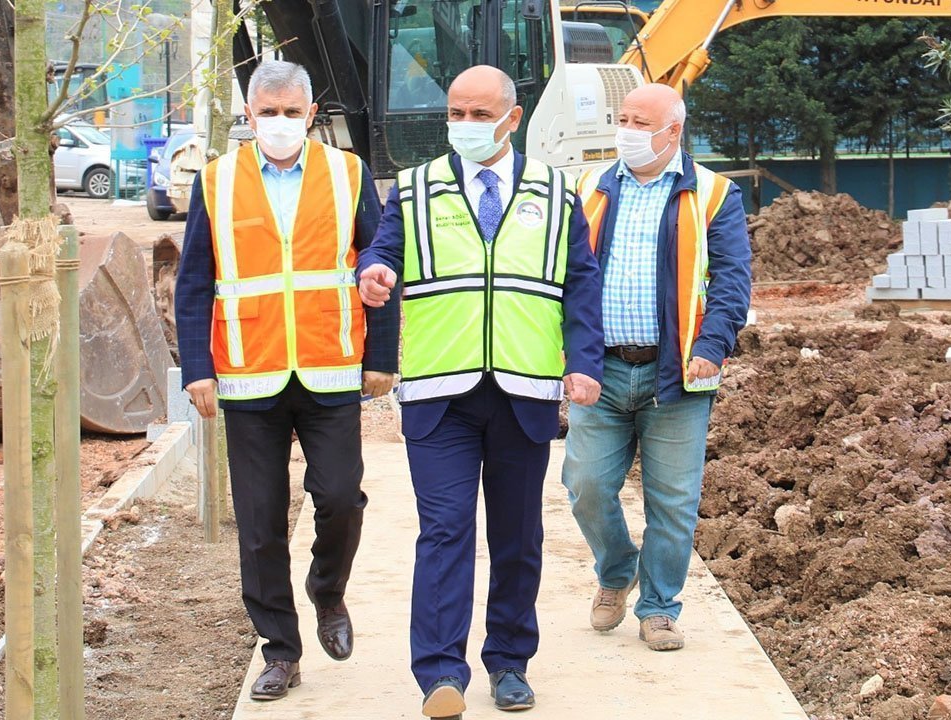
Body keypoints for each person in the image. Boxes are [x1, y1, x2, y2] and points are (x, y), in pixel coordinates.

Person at [358, 65, 603, 719]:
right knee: (444, 530)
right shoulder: (414, 189)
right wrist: (375, 272)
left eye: (478, 115)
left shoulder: (556, 194)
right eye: (455, 114)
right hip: (441, 394)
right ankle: (441, 671)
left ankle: (510, 661)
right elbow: (381, 250)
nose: (464, 126)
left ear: (512, 120)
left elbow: (581, 282)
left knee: (519, 535)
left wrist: (583, 363)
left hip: (524, 391)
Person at [174, 60, 399, 702]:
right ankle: (281, 650)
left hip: (330, 370)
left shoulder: (347, 173)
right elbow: (195, 281)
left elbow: (380, 267)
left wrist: (380, 357)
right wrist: (198, 369)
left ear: (309, 114)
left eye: (290, 112)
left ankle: (328, 592)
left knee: (339, 498)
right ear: (249, 117)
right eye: (266, 112)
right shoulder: (216, 182)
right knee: (261, 523)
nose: (278, 122)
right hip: (248, 376)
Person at [561, 84, 751, 651]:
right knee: (586, 485)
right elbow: (568, 275)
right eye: (622, 119)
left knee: (672, 500)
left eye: (640, 121)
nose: (626, 130)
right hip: (602, 369)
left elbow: (732, 281)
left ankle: (660, 607)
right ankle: (618, 570)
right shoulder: (588, 186)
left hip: (680, 374)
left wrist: (712, 346)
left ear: (673, 131)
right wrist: (570, 358)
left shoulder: (715, 194)